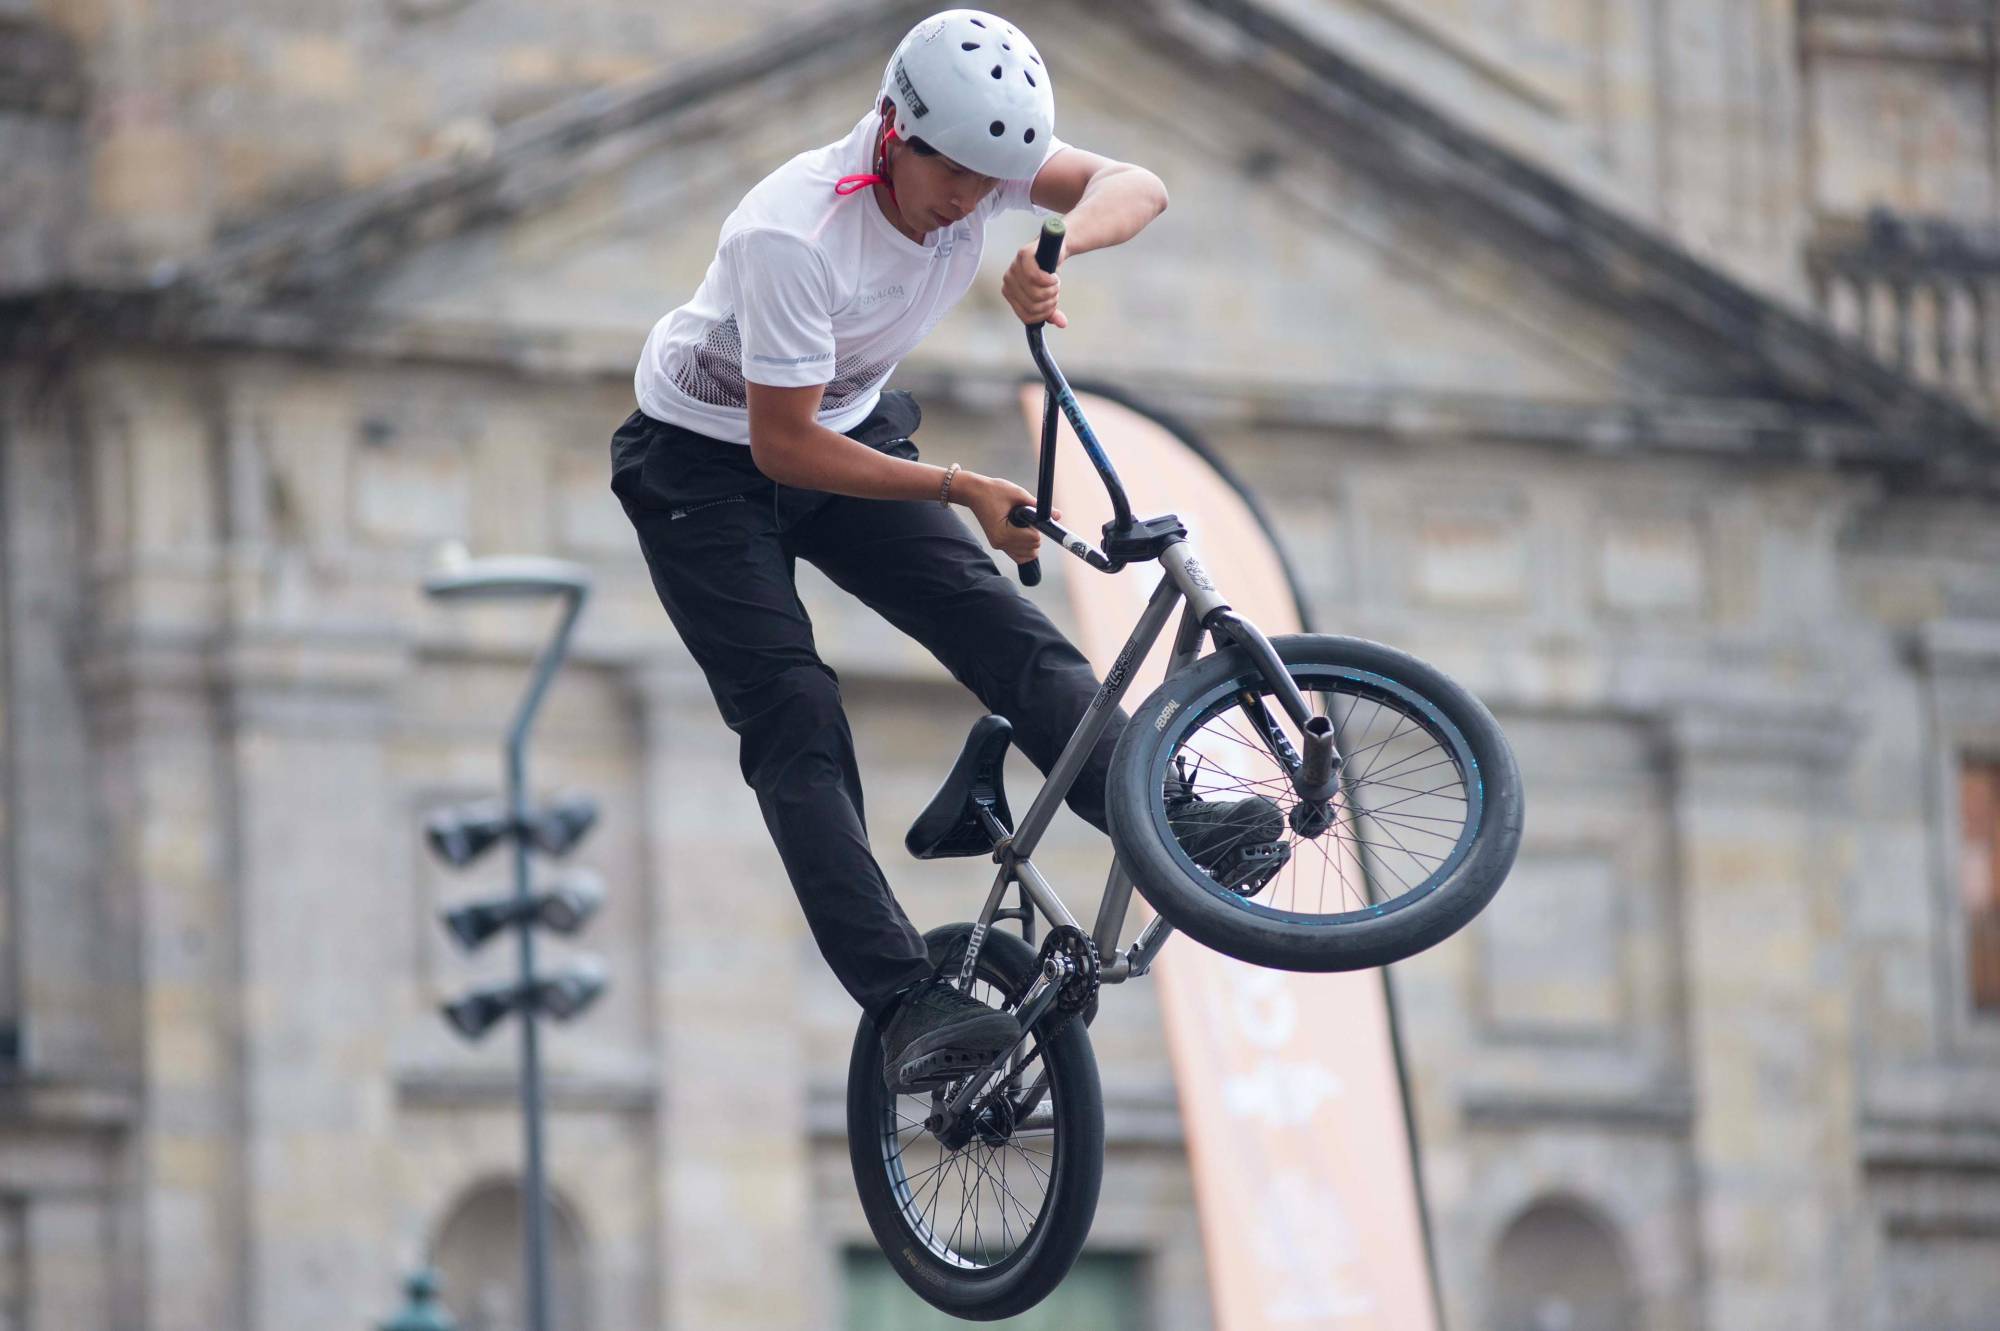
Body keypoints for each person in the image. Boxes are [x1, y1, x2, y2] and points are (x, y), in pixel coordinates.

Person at [610, 8, 1280, 1092]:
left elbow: (1138, 184)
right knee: (794, 710)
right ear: (893, 132)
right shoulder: (792, 232)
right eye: (952, 176)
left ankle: (1163, 818)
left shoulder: (983, 169)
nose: (968, 201)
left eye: (989, 182)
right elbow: (784, 446)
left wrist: (1055, 247)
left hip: (844, 431)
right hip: (704, 472)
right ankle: (904, 999)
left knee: (1002, 626)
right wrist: (961, 487)